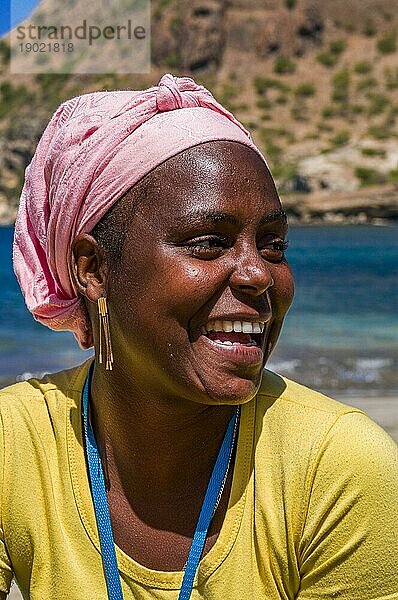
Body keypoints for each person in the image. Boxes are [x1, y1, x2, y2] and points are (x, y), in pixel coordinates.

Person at [0, 74, 397, 600]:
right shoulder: (15, 445)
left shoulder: (336, 466)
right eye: (209, 242)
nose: (259, 275)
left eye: (274, 245)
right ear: (93, 270)